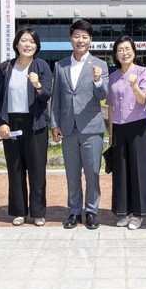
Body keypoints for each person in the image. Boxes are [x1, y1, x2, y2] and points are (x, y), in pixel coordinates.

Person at [50, 19, 109, 230]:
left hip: (91, 127)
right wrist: (54, 124)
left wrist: (98, 80)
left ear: (90, 40)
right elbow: (56, 97)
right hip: (68, 128)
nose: (80, 40)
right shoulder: (60, 65)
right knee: (72, 174)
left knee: (92, 173)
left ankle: (91, 211)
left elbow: (103, 95)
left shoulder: (100, 65)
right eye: (77, 36)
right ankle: (74, 211)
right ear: (70, 38)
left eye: (85, 37)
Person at [0, 25, 53, 227]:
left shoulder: (41, 66)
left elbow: (46, 95)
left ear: (37, 46)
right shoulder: (6, 67)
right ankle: (19, 211)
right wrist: (1, 122)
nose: (28, 45)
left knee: (37, 170)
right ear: (17, 44)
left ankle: (38, 212)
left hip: (35, 123)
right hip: (11, 122)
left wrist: (38, 86)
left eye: (32, 41)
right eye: (24, 40)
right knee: (15, 168)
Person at [107, 36, 146, 230]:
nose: (124, 53)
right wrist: (111, 134)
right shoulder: (113, 76)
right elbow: (111, 107)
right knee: (122, 170)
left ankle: (139, 214)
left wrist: (135, 85)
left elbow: (144, 100)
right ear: (116, 54)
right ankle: (125, 212)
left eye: (127, 49)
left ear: (134, 52)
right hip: (119, 127)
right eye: (120, 50)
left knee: (139, 170)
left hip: (139, 127)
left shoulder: (142, 72)